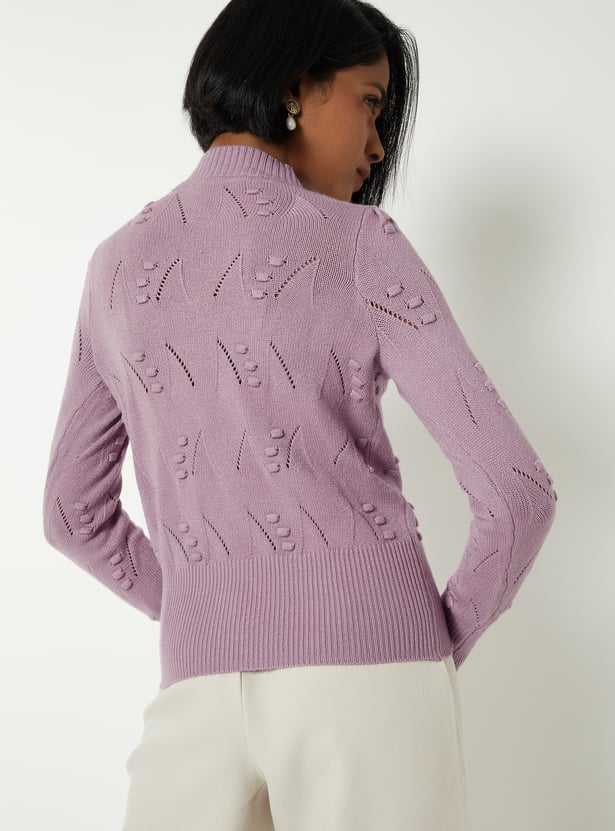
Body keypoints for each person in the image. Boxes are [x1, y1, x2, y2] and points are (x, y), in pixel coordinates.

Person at [41, 1, 558, 829]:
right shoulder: (359, 243)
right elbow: (518, 491)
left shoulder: (116, 264)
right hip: (371, 684)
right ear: (293, 87)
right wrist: (427, 635)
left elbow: (72, 514)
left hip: (194, 694)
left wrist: (208, 607)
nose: (378, 145)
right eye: (369, 102)